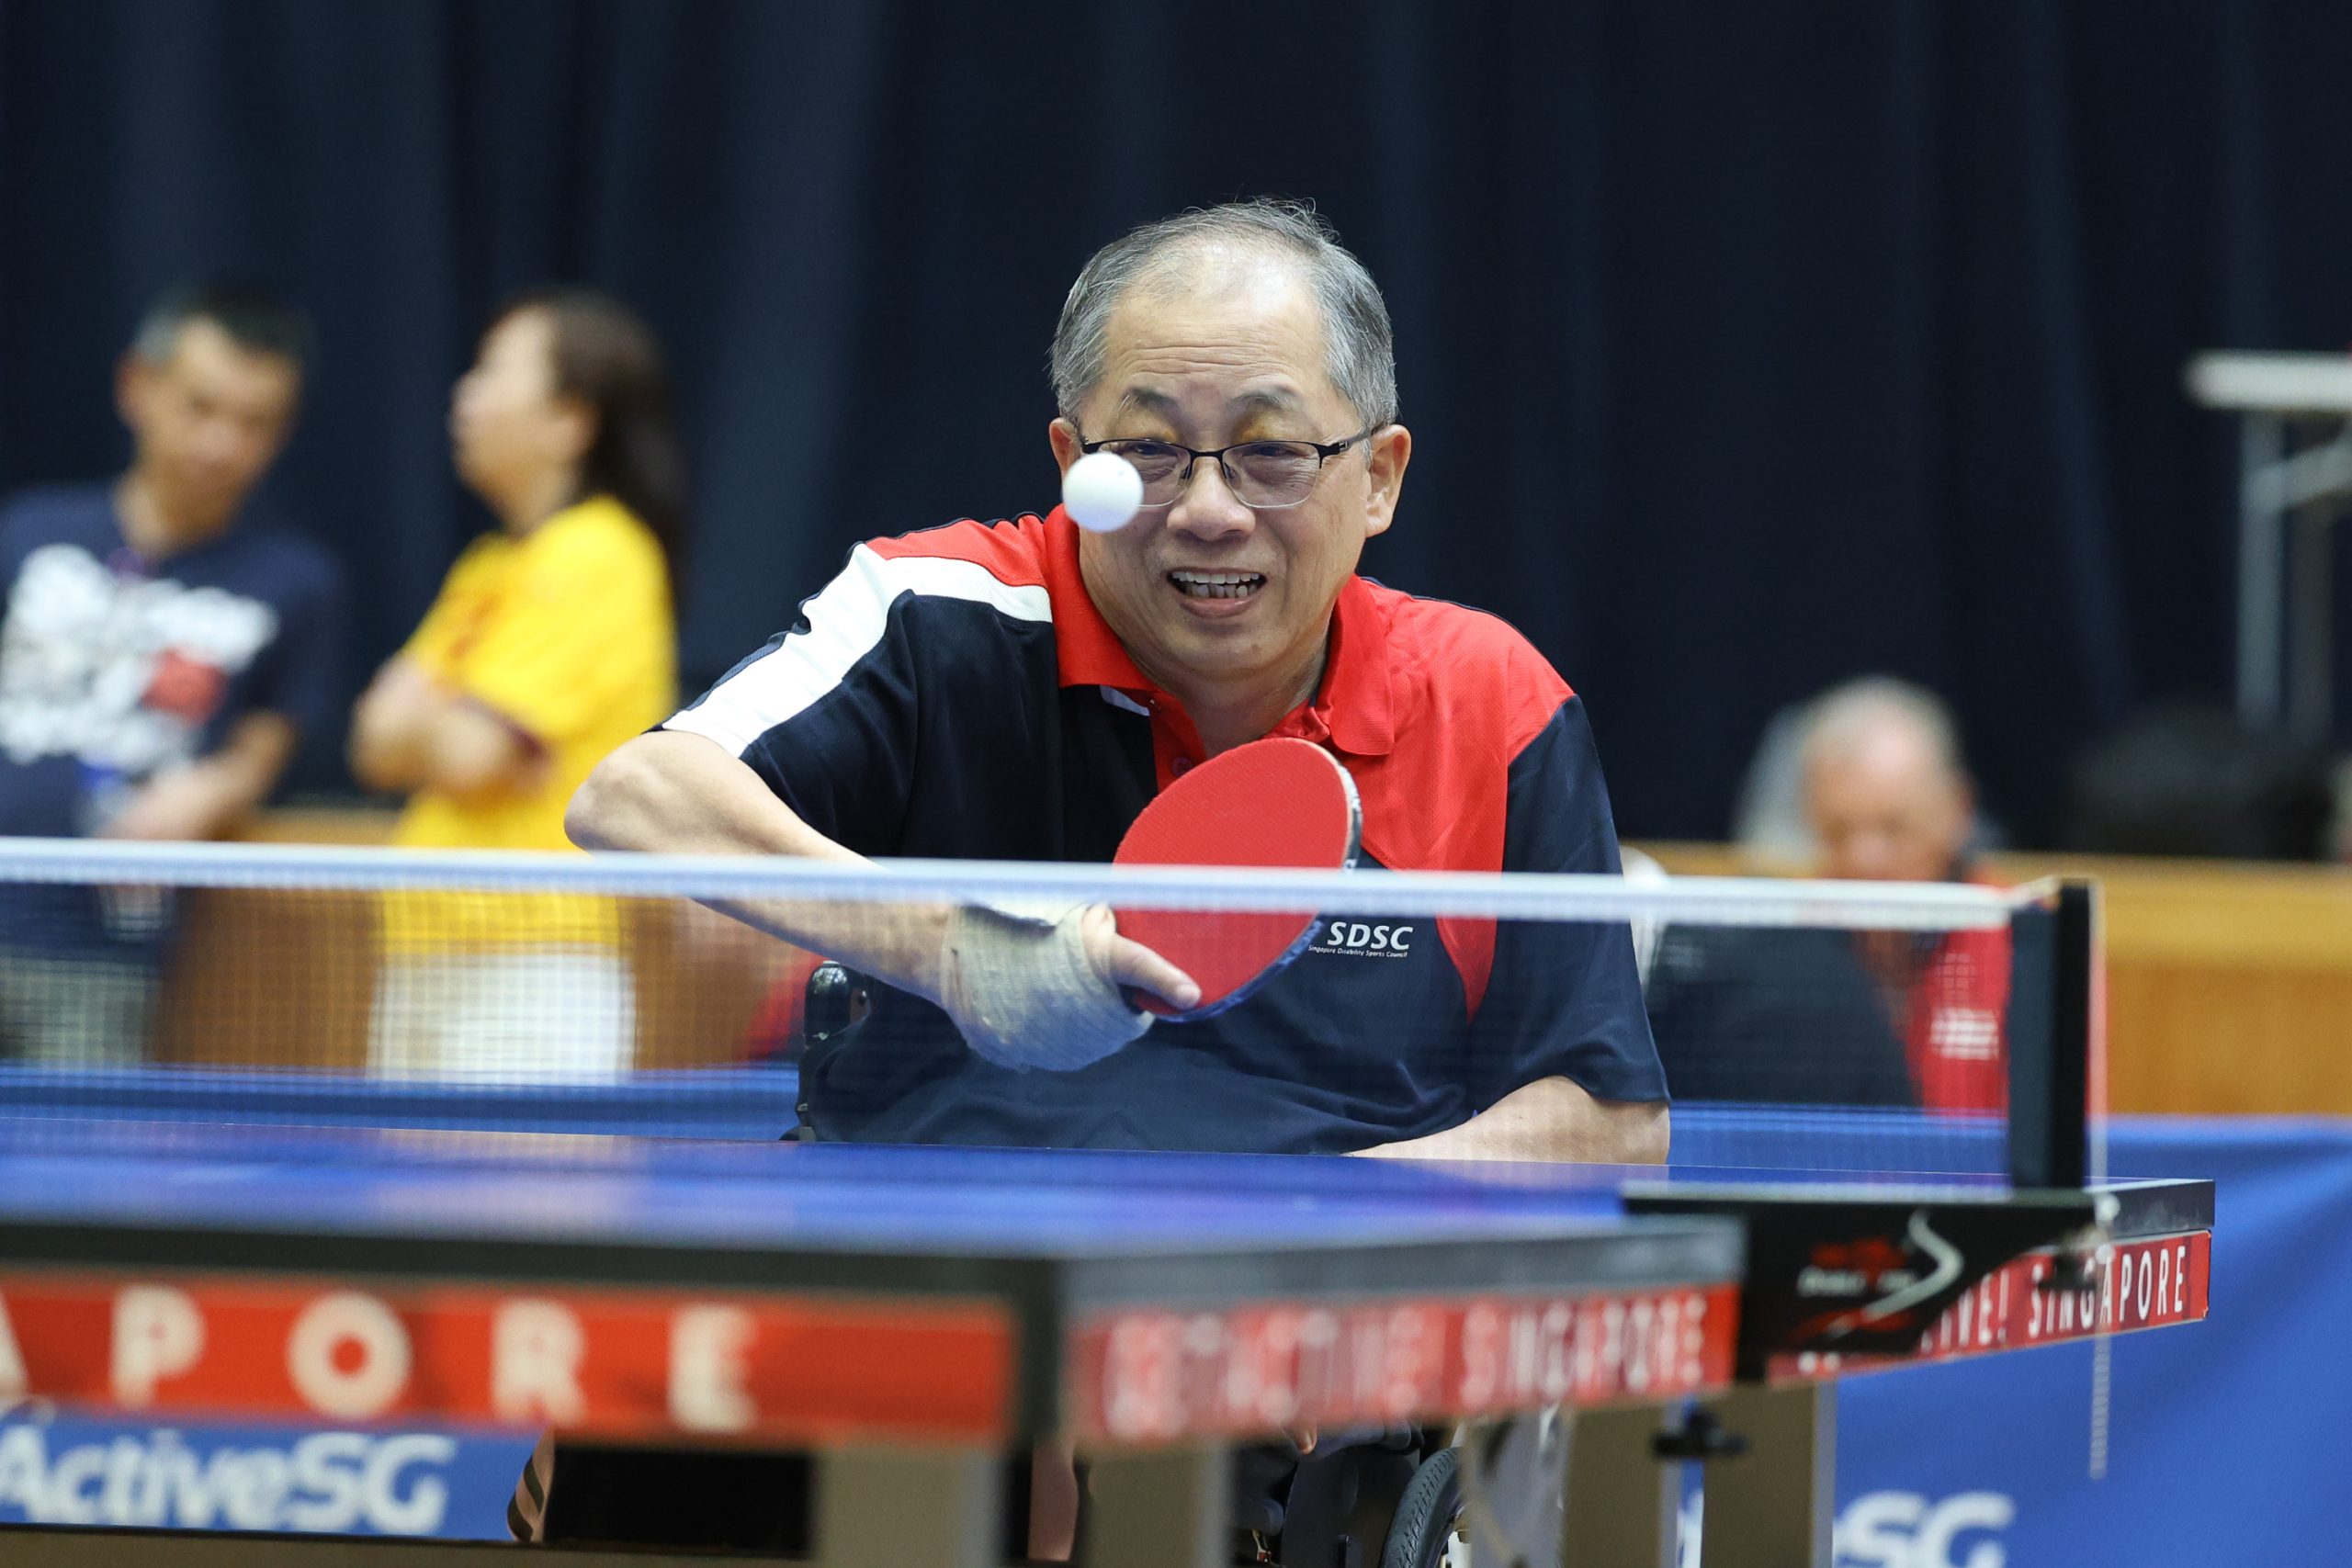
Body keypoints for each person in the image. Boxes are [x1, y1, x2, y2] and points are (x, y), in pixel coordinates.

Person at [528, 200, 1668, 1554]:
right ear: (1072, 459)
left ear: (1380, 474)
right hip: (913, 1289)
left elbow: (1604, 1120)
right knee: (648, 1399)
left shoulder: (1492, 702)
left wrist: (1311, 1235)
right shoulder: (940, 612)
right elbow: (635, 796)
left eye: (1272, 452)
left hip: (1283, 1342)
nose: (1207, 508)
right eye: (1146, 450)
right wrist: (962, 948)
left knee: (1192, 1432)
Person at [0, 282, 343, 1065]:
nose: (222, 443)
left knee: (72, 1185)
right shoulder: (30, 532)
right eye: (201, 407)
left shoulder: (295, 581)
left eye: (254, 423)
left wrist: (212, 789)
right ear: (137, 386)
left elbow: (266, 744)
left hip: (100, 958)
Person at [349, 288, 680, 1081]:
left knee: (518, 1208)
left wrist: (428, 715)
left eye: (492, 373)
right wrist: (433, 728)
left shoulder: (598, 556)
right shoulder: (488, 567)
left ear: (570, 419)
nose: (464, 396)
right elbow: (370, 743)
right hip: (425, 952)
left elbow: (468, 754)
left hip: (532, 965)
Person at [1801, 677, 2007, 1112]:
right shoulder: (1787, 940)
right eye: (1839, 831)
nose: (1865, 860)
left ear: (1959, 810)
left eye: (1894, 828)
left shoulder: (2027, 944)